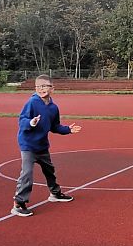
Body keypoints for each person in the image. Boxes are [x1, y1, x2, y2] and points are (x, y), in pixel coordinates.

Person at [11, 75, 82, 217]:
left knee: (49, 170)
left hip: (42, 145)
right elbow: (22, 121)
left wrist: (68, 129)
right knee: (27, 174)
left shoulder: (53, 108)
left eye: (45, 86)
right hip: (28, 145)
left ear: (52, 88)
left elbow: (54, 127)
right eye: (39, 86)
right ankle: (19, 203)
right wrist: (31, 122)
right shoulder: (32, 102)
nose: (41, 89)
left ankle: (55, 194)